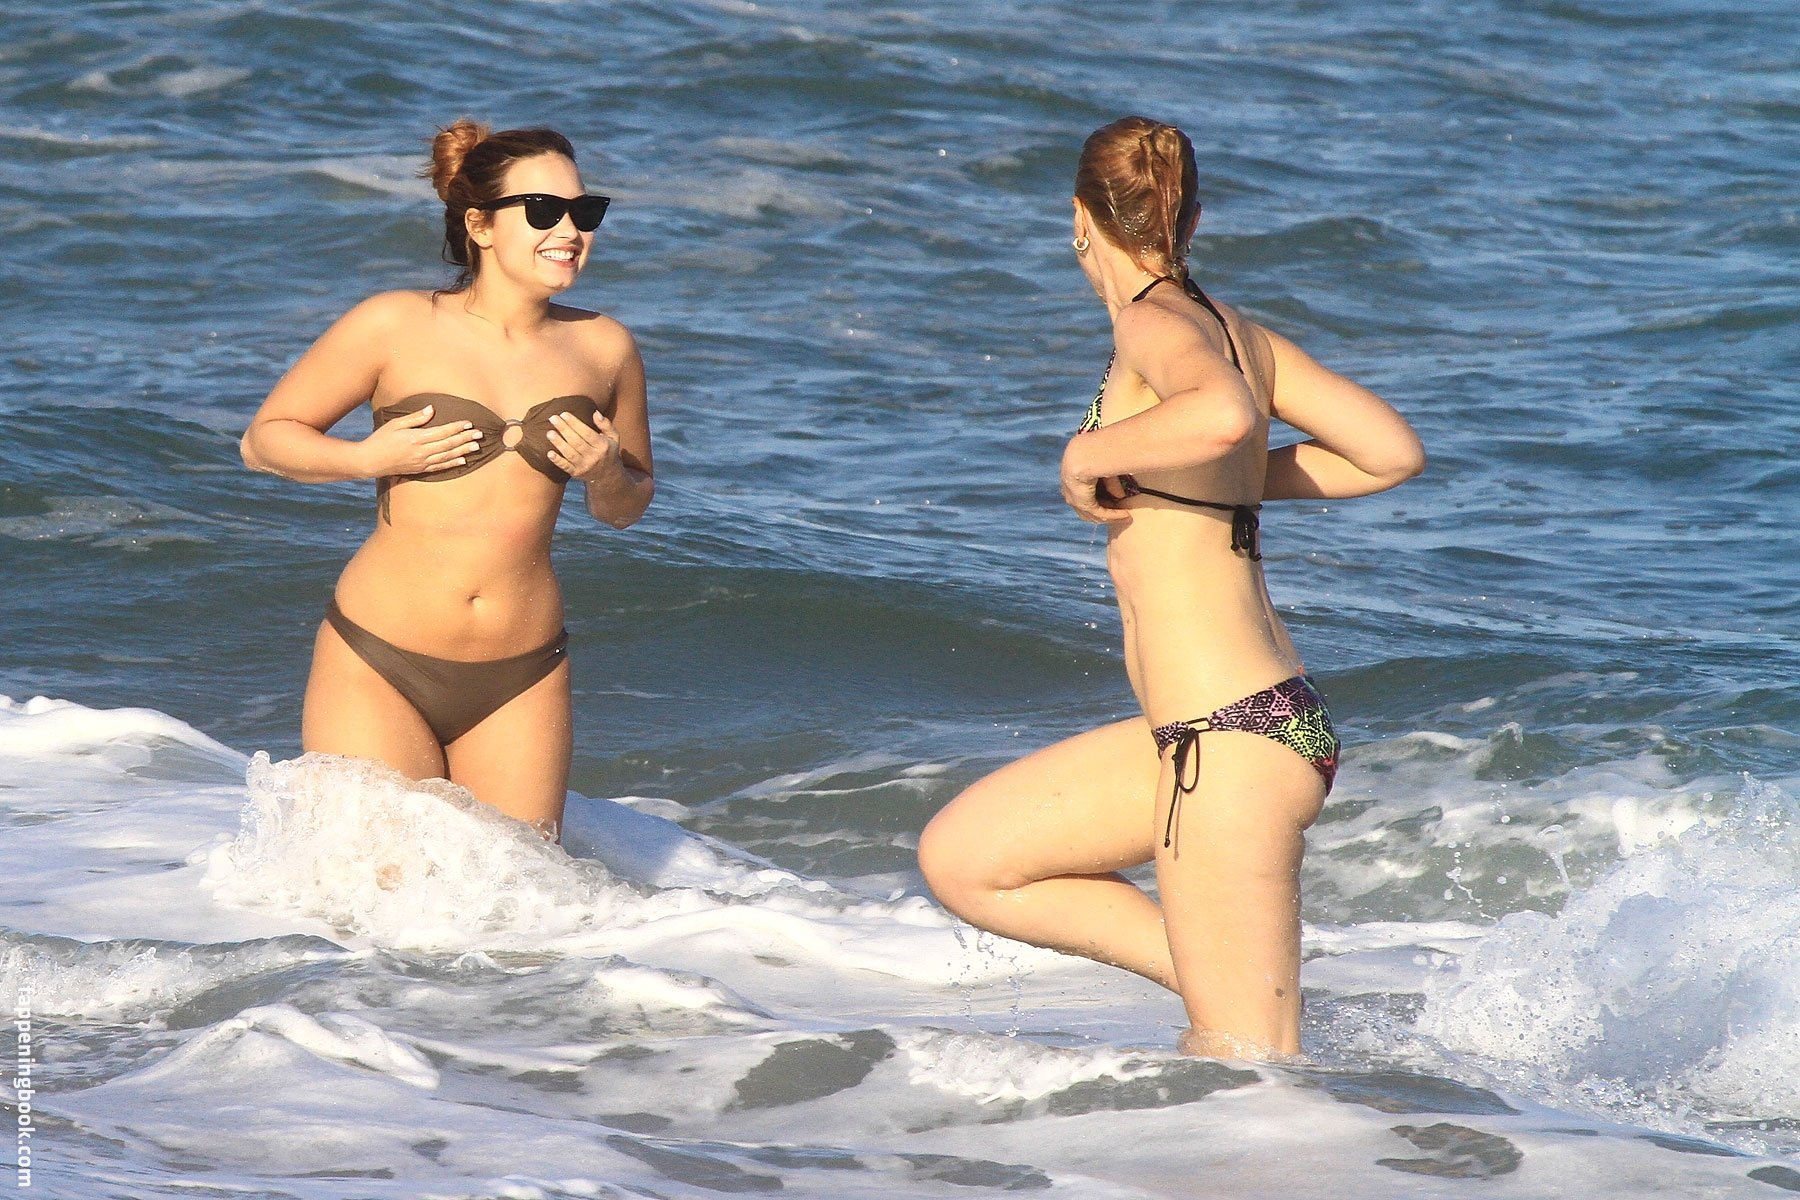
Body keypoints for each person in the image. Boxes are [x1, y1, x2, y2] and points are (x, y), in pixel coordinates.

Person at [918, 116, 1424, 1059]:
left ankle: (1255, 1014)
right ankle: (1248, 990)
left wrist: (1087, 455)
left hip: (1225, 740)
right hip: (1237, 724)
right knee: (969, 859)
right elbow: (1388, 451)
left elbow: (1222, 415)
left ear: (1080, 218)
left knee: (1240, 1076)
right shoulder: (1240, 333)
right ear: (1191, 217)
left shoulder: (1152, 321)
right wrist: (1215, 481)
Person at [241, 120, 652, 840]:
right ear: (480, 225)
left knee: (515, 893)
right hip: (379, 660)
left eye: (584, 211)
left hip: (523, 674)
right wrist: (365, 458)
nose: (570, 230)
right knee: (382, 891)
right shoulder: (394, 324)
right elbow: (264, 440)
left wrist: (604, 472)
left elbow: (628, 505)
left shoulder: (604, 346)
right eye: (544, 210)